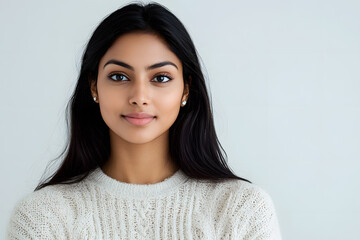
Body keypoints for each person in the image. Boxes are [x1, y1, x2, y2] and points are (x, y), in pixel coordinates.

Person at [7, 2, 282, 239]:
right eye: (119, 76)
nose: (139, 96)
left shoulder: (241, 210)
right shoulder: (42, 218)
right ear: (94, 87)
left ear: (186, 89)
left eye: (160, 78)